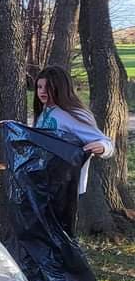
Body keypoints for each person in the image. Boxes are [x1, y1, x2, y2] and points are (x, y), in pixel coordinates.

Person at [31, 66, 113, 236]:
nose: (42, 92)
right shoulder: (44, 111)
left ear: (60, 87)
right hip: (43, 183)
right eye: (39, 87)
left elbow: (106, 142)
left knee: (61, 236)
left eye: (48, 87)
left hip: (66, 186)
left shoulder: (75, 114)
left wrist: (102, 147)